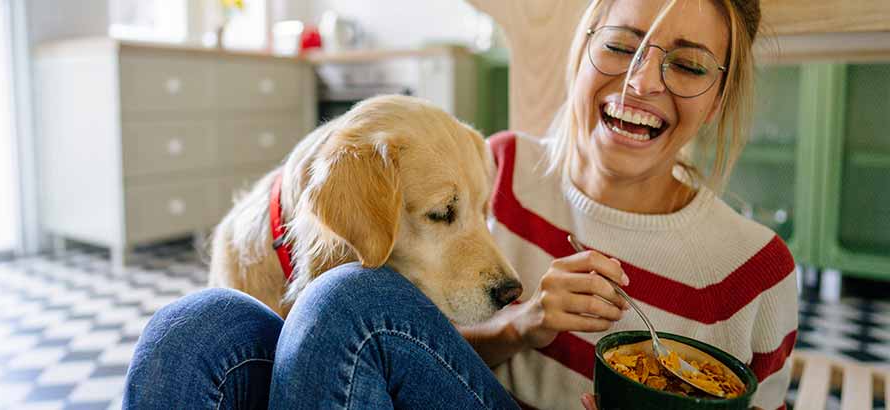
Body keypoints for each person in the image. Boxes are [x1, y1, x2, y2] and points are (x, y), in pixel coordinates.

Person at [123, 0, 797, 409]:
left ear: (722, 91)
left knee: (343, 300)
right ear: (583, 49)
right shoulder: (492, 164)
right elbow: (411, 352)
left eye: (687, 64)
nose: (642, 81)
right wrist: (520, 326)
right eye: (621, 44)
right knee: (195, 327)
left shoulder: (755, 271)